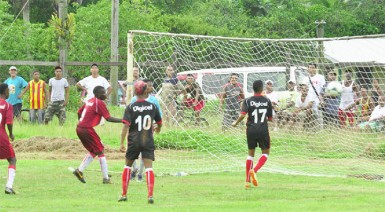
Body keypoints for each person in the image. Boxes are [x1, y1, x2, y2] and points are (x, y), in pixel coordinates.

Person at [118, 80, 162, 204]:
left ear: (135, 92)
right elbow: (159, 122)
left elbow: (125, 126)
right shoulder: (152, 106)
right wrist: (158, 129)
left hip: (134, 140)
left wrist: (121, 142)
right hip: (147, 139)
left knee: (127, 165)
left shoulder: (130, 107)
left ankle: (124, 194)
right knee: (149, 168)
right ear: (145, 90)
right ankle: (150, 196)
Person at [72, 86, 122, 184]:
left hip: (79, 128)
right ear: (98, 94)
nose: (105, 94)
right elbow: (108, 118)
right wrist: (123, 120)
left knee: (94, 150)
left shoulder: (90, 100)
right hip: (86, 129)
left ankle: (79, 170)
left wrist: (81, 122)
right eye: (103, 93)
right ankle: (106, 178)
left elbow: (79, 112)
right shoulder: (99, 103)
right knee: (100, 150)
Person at [231, 80, 273, 189]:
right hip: (263, 129)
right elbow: (270, 119)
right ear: (261, 88)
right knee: (266, 153)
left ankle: (247, 182)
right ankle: (254, 170)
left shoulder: (248, 100)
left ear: (252, 88)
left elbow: (242, 115)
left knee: (250, 154)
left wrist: (235, 123)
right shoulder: (267, 101)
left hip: (251, 130)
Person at [0, 83, 17, 194]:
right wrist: (11, 134)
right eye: (8, 90)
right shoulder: (7, 105)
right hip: (1, 136)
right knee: (12, 159)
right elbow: (9, 122)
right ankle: (9, 187)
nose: (9, 92)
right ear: (5, 91)